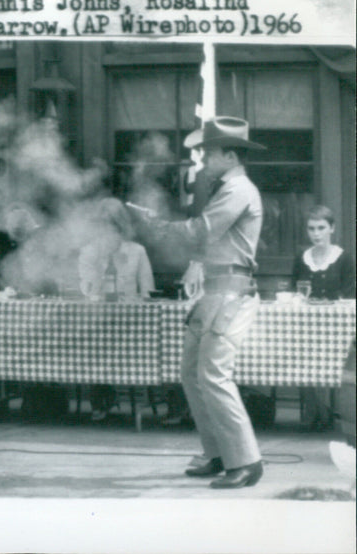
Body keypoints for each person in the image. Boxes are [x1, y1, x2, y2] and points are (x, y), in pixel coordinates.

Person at [130, 116, 266, 489]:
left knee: (213, 375)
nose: (203, 159)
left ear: (229, 154)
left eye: (208, 152)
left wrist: (160, 226)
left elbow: (202, 229)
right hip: (217, 292)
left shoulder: (239, 189)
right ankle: (219, 453)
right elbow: (207, 240)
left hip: (231, 293)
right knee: (192, 374)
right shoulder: (229, 189)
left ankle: (247, 462)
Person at [78, 198, 155, 421]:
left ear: (122, 227)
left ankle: (148, 401)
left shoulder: (137, 251)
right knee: (91, 346)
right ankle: (100, 400)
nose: (109, 231)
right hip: (99, 320)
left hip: (132, 322)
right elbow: (86, 289)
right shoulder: (88, 252)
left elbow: (148, 291)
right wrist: (100, 267)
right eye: (103, 225)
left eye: (114, 225)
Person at [292, 205, 356, 431]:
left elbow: (350, 297)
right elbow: (295, 293)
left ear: (332, 229)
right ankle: (314, 413)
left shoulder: (344, 258)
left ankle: (331, 413)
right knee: (302, 355)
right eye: (311, 229)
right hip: (307, 326)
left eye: (321, 228)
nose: (316, 234)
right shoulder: (302, 257)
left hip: (337, 328)